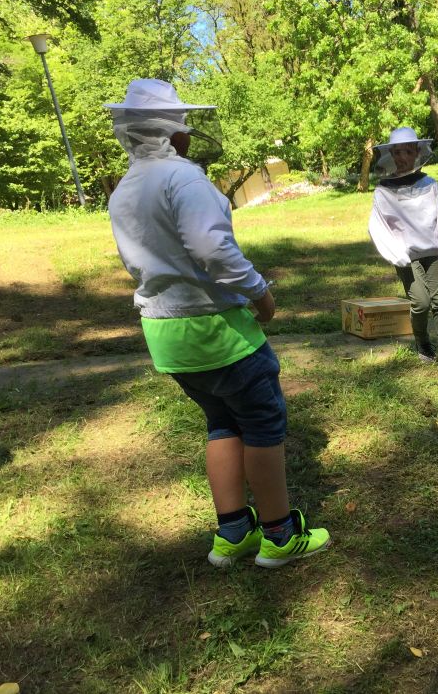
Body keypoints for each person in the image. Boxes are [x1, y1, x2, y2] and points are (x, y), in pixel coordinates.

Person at [104, 79, 330, 569]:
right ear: (172, 132)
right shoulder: (183, 179)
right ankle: (279, 535)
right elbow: (212, 248)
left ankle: (233, 533)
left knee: (222, 422)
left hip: (167, 336)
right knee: (263, 424)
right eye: (184, 124)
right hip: (217, 330)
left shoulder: (125, 190)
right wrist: (260, 293)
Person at [368, 127, 438, 377]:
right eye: (398, 152)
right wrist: (396, 253)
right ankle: (423, 343)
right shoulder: (383, 191)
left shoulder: (429, 185)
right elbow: (377, 226)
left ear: (417, 153)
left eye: (408, 152)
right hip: (405, 255)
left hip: (431, 251)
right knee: (421, 303)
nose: (403, 157)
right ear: (390, 154)